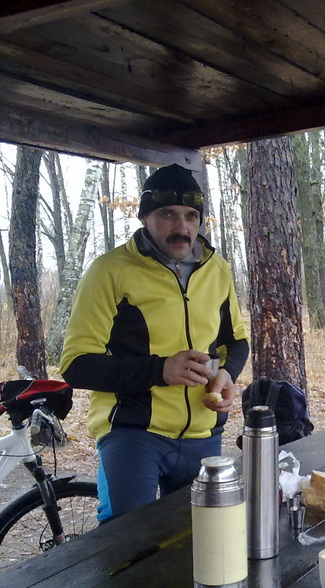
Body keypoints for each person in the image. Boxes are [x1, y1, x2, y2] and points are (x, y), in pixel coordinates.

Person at [60, 163, 249, 522]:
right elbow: (76, 365)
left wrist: (227, 374)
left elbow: (236, 341)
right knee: (128, 541)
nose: (182, 227)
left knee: (199, 540)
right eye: (167, 214)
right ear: (144, 217)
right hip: (134, 434)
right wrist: (161, 370)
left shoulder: (218, 269)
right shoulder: (109, 271)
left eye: (191, 216)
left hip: (204, 433)